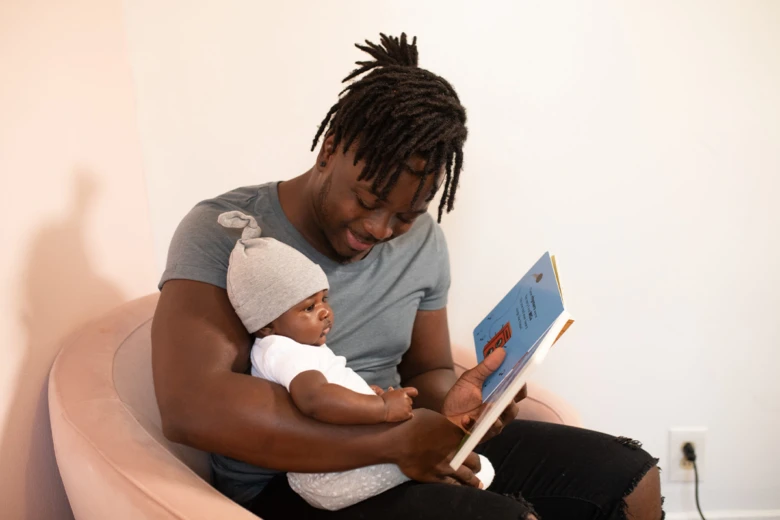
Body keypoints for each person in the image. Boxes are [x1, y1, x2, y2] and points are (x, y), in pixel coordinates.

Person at [152, 33, 663, 520]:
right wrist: (391, 441)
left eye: (405, 215)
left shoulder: (423, 241)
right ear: (329, 150)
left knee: (627, 475)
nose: (379, 229)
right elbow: (191, 406)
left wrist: (458, 403)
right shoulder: (227, 231)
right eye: (367, 200)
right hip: (291, 480)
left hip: (401, 440)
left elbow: (426, 371)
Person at [215, 209, 495, 510]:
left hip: (338, 463)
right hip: (327, 475)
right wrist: (381, 408)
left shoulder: (297, 346)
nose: (325, 311)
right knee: (440, 456)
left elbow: (328, 393)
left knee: (436, 449)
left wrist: (362, 397)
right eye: (308, 308)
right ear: (266, 325)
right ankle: (458, 465)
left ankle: (453, 461)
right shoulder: (282, 350)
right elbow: (315, 399)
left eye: (324, 299)